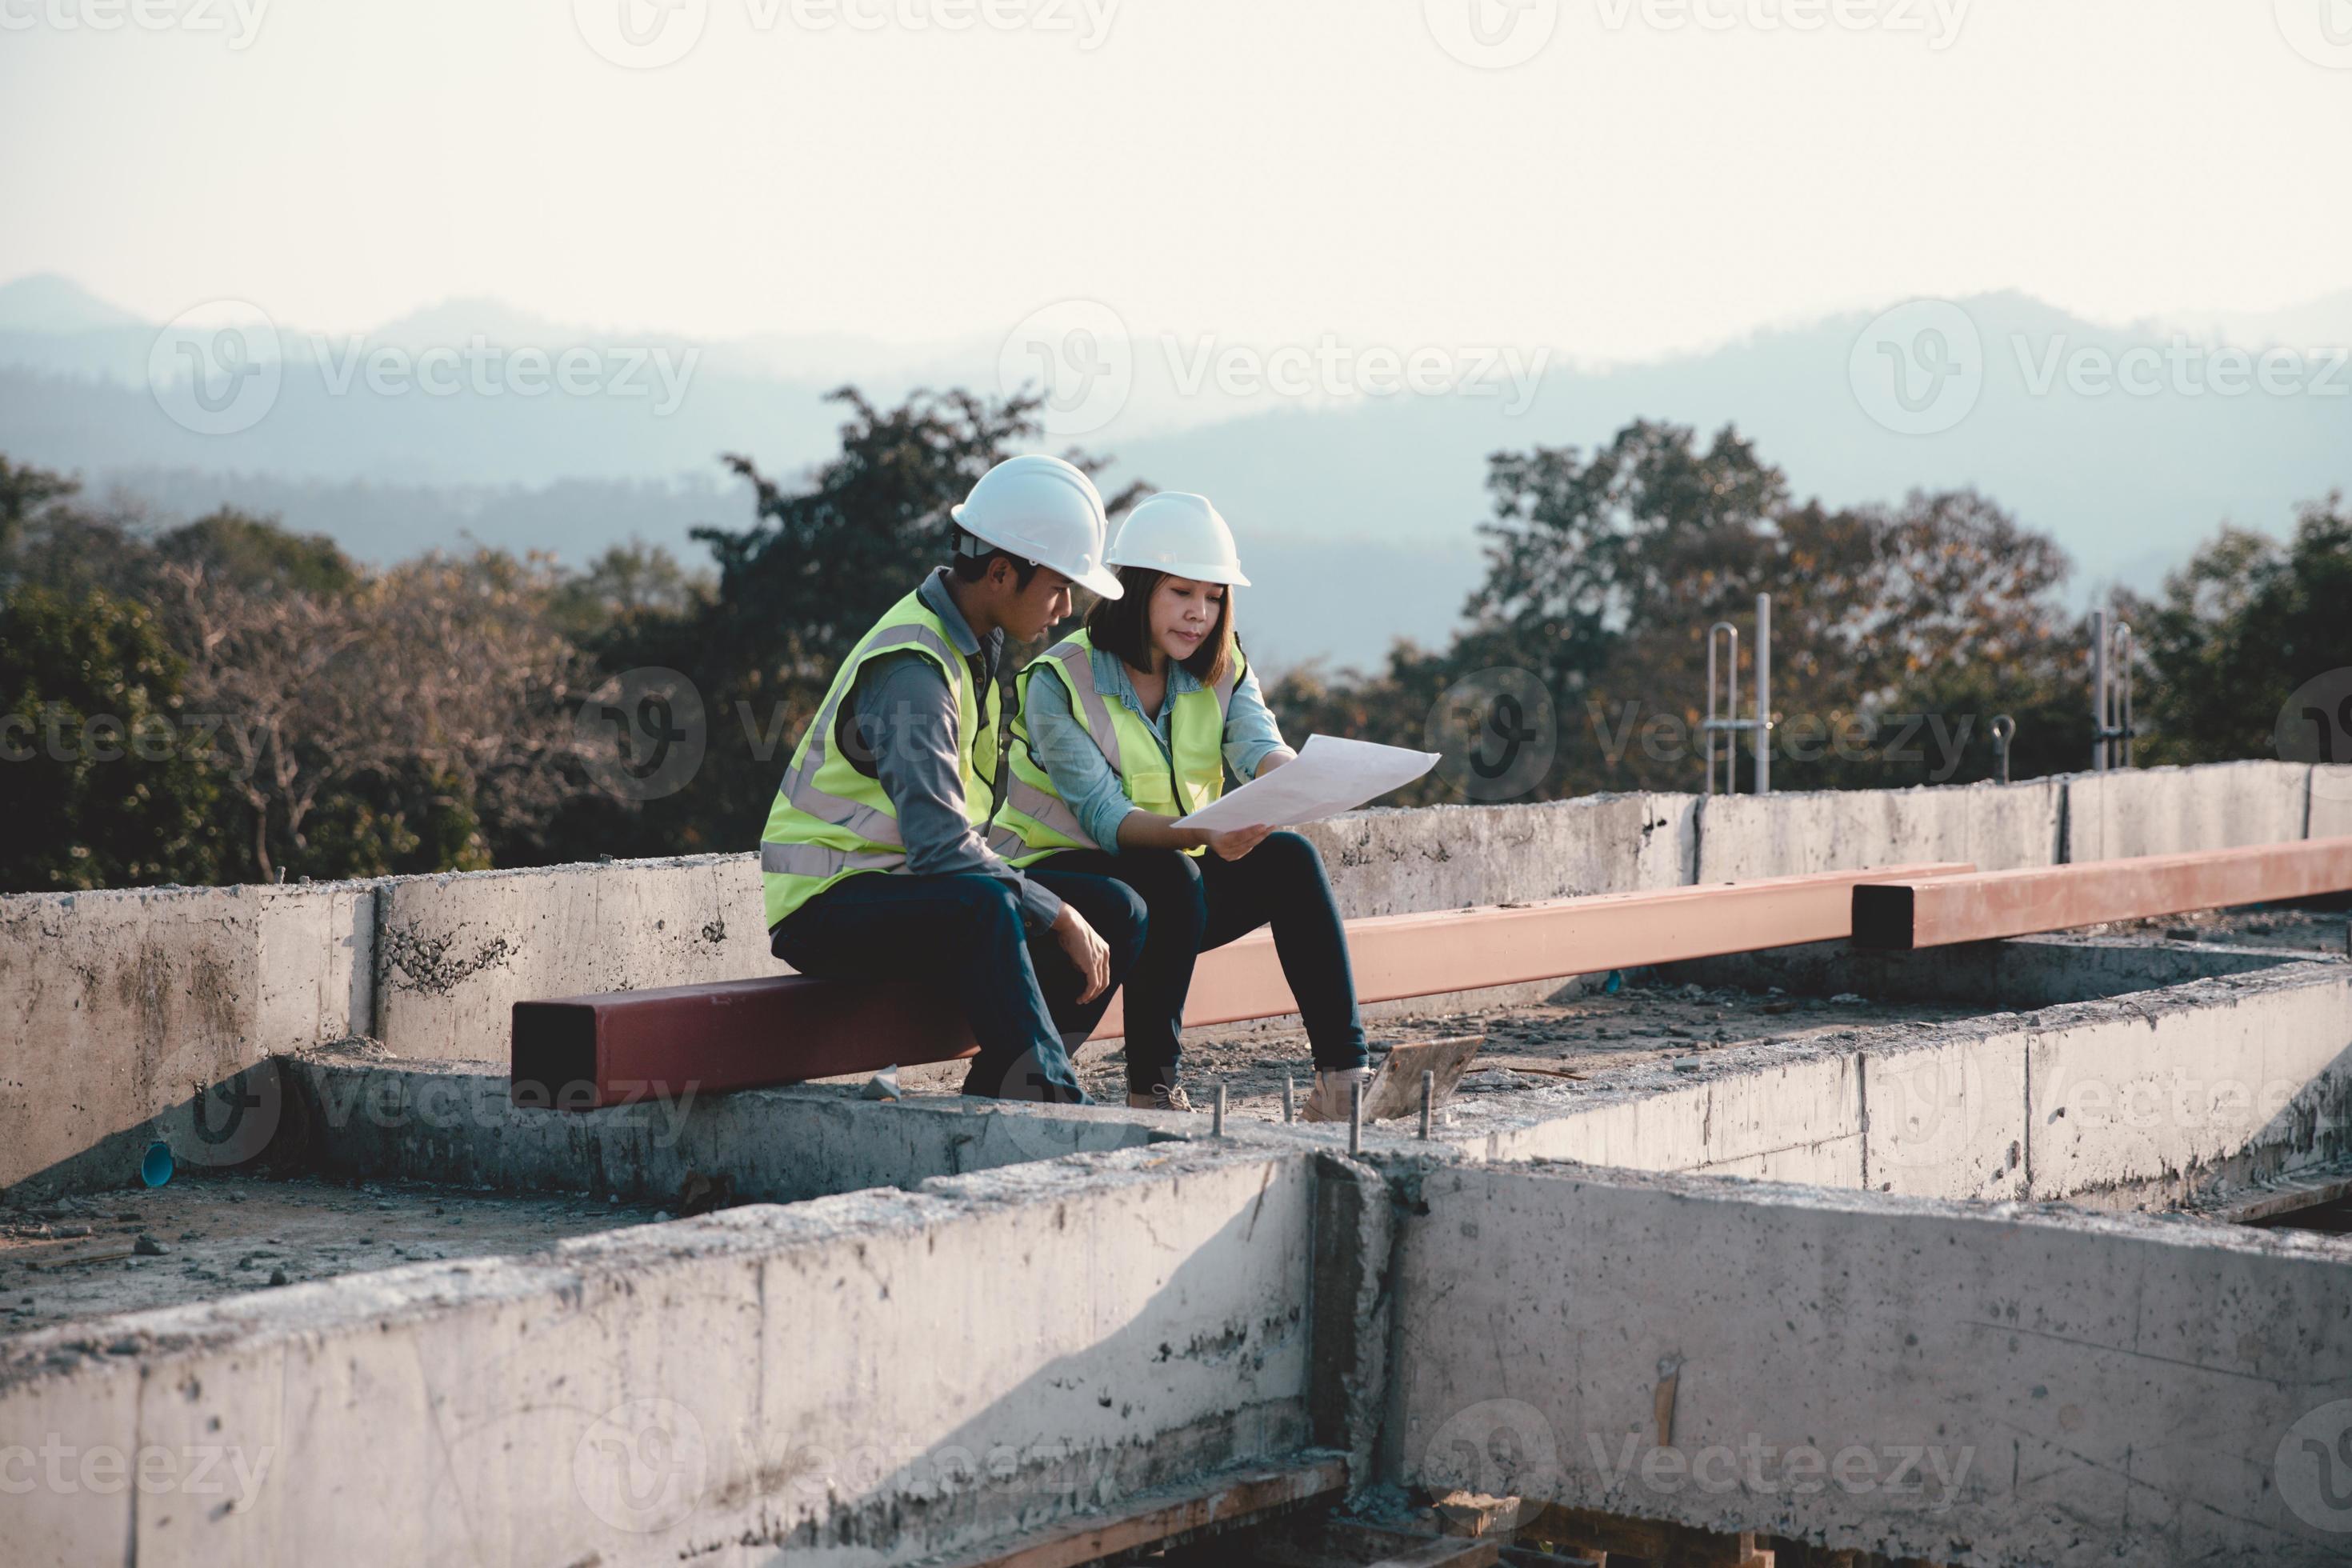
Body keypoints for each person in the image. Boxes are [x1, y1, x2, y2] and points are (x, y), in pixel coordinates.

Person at [759, 454, 1148, 1102]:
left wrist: (1070, 914)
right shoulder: (916, 667)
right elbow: (942, 847)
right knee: (990, 905)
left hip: (909, 891)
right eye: (1057, 587)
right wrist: (1056, 916)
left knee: (1120, 911)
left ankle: (1003, 1094)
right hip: (830, 906)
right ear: (1000, 573)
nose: (1065, 609)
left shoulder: (967, 643)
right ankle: (1053, 1103)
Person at [988, 492, 1370, 1120]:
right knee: (1171, 877)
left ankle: (1343, 1080)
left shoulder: (1221, 666)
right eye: (1182, 593)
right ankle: (1154, 1090)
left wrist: (1307, 780)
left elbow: (1259, 748)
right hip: (1053, 884)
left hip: (1171, 886)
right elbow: (1105, 818)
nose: (1200, 614)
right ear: (1135, 589)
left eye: (1214, 597)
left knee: (1289, 860)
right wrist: (1206, 834)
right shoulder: (1060, 681)